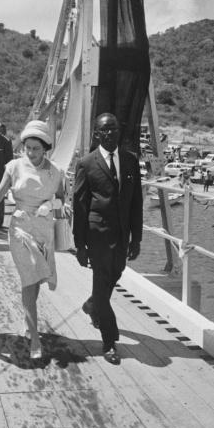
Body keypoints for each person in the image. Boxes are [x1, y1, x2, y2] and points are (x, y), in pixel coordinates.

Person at [0, 120, 66, 360]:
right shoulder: (14, 166)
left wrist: (50, 205)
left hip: (43, 229)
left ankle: (29, 322)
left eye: (36, 148)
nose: (31, 153)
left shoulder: (55, 171)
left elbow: (61, 203)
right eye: (28, 148)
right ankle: (35, 336)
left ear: (45, 147)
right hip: (19, 229)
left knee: (35, 280)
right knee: (29, 278)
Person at [72, 112, 143, 364]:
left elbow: (136, 202)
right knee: (102, 283)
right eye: (106, 130)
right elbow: (79, 205)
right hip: (97, 233)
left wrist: (137, 238)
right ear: (97, 134)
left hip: (122, 234)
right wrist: (79, 244)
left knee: (115, 274)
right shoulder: (87, 163)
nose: (111, 133)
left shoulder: (130, 161)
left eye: (114, 129)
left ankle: (92, 304)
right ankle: (109, 340)